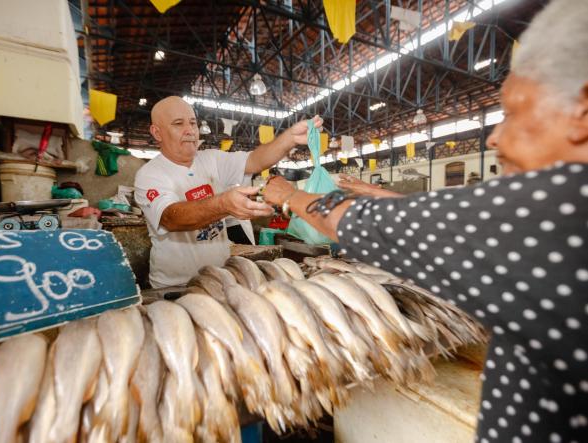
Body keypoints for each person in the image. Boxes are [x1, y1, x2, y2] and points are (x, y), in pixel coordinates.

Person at [262, 1, 588, 441]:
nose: (494, 136)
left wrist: (288, 195)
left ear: (581, 112)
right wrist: (372, 191)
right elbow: (449, 212)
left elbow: (370, 225)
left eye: (512, 113)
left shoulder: (560, 210)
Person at [134, 96, 322, 288]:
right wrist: (223, 204)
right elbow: (171, 218)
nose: (190, 130)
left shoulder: (211, 159)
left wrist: (289, 138)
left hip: (221, 278)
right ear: (157, 132)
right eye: (178, 124)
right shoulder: (150, 175)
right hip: (177, 285)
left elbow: (255, 160)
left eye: (192, 122)